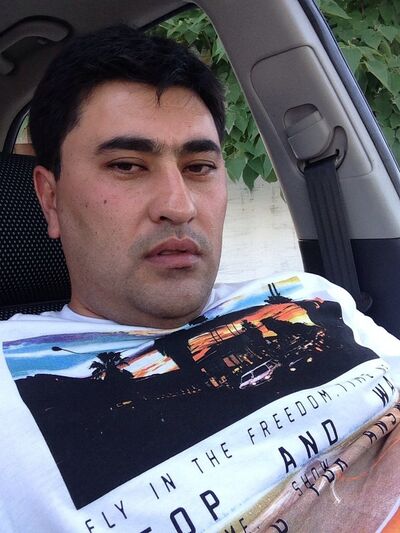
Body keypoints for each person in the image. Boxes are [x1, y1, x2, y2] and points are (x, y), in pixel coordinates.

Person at [1, 24, 399, 533]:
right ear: (50, 199)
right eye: (127, 165)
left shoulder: (311, 294)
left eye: (200, 166)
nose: (179, 205)